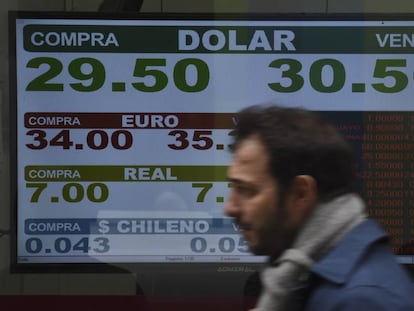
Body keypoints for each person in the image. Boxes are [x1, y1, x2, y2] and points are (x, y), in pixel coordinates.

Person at [224, 104, 414, 311]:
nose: (230, 207)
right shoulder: (306, 275)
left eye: (247, 190)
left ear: (301, 193)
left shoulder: (363, 300)